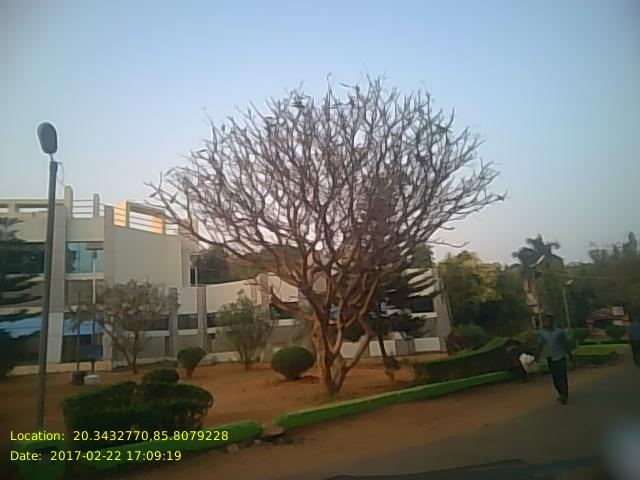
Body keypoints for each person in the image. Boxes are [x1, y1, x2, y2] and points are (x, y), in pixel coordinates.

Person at [538, 313, 570, 404]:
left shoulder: (559, 332)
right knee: (555, 378)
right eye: (544, 321)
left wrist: (570, 356)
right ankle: (560, 393)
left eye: (547, 321)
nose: (546, 323)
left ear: (552, 322)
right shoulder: (542, 333)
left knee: (562, 377)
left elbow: (565, 344)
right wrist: (537, 356)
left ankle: (564, 395)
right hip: (550, 357)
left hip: (560, 356)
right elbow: (540, 345)